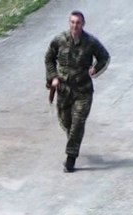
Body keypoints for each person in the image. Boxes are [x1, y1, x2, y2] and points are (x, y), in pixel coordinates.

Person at [44, 10, 110, 173]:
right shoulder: (60, 40)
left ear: (83, 24)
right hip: (64, 90)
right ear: (69, 23)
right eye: (72, 22)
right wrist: (53, 77)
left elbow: (104, 57)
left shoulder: (90, 42)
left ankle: (70, 158)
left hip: (83, 91)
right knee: (66, 122)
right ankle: (74, 139)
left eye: (78, 23)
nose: (75, 25)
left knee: (78, 122)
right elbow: (49, 58)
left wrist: (95, 69)